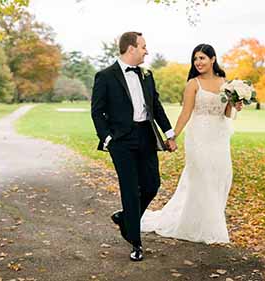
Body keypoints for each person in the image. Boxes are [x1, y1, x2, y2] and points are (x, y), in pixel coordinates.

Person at [141, 43, 243, 244]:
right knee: (202, 177)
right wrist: (172, 136)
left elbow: (227, 114)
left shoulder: (226, 83)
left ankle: (210, 222)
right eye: (195, 59)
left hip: (219, 138)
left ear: (213, 59)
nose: (198, 62)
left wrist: (235, 105)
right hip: (198, 138)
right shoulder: (193, 84)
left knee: (220, 178)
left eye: (202, 58)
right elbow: (185, 113)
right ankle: (203, 227)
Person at [91, 31, 177, 261]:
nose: (146, 51)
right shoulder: (105, 76)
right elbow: (97, 111)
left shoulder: (147, 75)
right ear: (131, 48)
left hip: (146, 136)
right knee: (130, 188)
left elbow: (155, 106)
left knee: (152, 184)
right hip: (121, 142)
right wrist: (108, 139)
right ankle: (136, 243)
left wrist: (169, 134)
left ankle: (126, 217)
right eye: (143, 47)